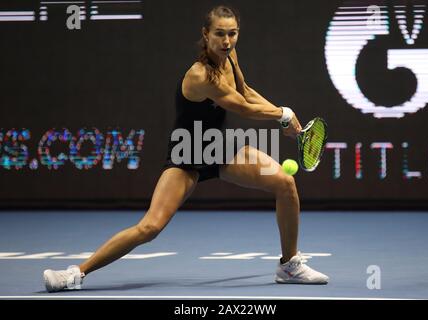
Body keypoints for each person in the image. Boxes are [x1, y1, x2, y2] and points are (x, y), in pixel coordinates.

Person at [43, 5, 328, 292]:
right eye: (219, 34)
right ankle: (75, 274)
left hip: (218, 147)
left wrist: (285, 119)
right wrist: (283, 115)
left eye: (232, 34)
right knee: (150, 227)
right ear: (205, 35)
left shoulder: (229, 57)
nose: (226, 41)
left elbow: (245, 91)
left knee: (284, 183)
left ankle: (289, 265)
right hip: (187, 153)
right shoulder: (200, 76)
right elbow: (241, 106)